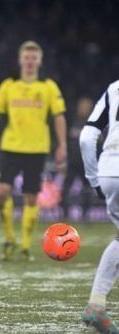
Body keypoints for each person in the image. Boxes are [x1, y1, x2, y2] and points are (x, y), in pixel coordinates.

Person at [0, 40, 67, 261]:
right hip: (11, 146)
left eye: (33, 58)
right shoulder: (9, 85)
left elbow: (59, 116)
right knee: (2, 192)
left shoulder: (48, 86)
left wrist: (62, 144)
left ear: (39, 61)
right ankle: (9, 239)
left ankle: (25, 245)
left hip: (37, 148)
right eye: (26, 58)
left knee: (31, 198)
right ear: (20, 60)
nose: (29, 61)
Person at [80, 80, 119, 333]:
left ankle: (96, 305)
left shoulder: (114, 88)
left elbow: (86, 138)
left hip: (110, 170)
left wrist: (94, 179)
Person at [61, 97, 93, 220]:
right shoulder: (72, 121)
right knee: (65, 189)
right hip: (72, 162)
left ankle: (86, 216)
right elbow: (65, 141)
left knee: (87, 190)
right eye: (82, 106)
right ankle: (64, 215)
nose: (83, 109)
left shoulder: (94, 123)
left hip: (87, 164)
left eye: (86, 106)